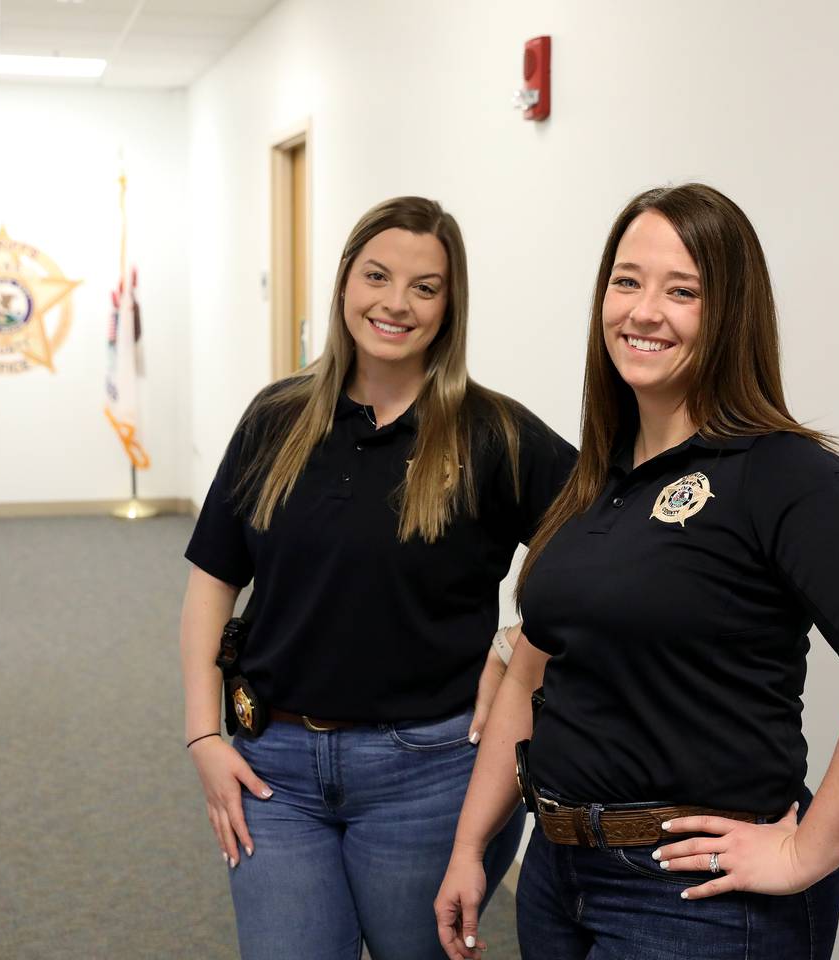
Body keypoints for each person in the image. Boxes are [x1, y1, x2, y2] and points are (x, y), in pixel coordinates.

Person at [434, 183, 839, 960]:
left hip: (693, 901)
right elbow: (532, 673)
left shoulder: (779, 471)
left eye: (683, 291)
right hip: (557, 875)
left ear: (730, 315)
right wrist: (471, 848)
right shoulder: (596, 481)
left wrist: (803, 853)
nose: (644, 311)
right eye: (627, 281)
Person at [181, 196, 577, 959]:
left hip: (430, 776)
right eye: (377, 276)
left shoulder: (493, 433)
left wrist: (515, 649)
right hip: (275, 772)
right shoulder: (278, 418)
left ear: (449, 308)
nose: (396, 303)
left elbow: (599, 548)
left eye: (425, 287)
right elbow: (211, 582)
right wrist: (202, 732)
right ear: (343, 286)